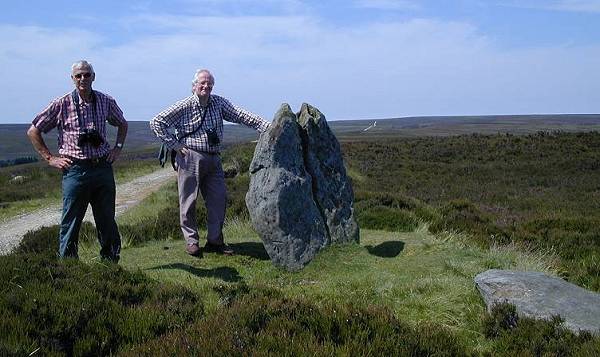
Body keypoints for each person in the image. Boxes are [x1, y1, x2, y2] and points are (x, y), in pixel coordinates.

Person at [150, 69, 270, 257]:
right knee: (188, 200)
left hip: (214, 157)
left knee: (218, 199)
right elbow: (156, 122)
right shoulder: (184, 106)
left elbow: (240, 115)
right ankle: (192, 241)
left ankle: (215, 240)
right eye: (202, 83)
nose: (206, 86)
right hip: (190, 156)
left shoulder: (218, 103)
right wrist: (174, 145)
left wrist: (265, 126)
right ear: (194, 86)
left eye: (209, 84)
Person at [27, 60, 128, 262]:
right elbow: (33, 130)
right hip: (75, 170)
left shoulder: (106, 101)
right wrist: (50, 158)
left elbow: (122, 123)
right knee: (71, 221)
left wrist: (117, 149)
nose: (83, 79)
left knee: (106, 219)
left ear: (93, 76)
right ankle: (70, 268)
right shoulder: (61, 103)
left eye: (87, 74)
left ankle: (111, 263)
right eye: (79, 75)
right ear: (72, 79)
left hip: (102, 167)